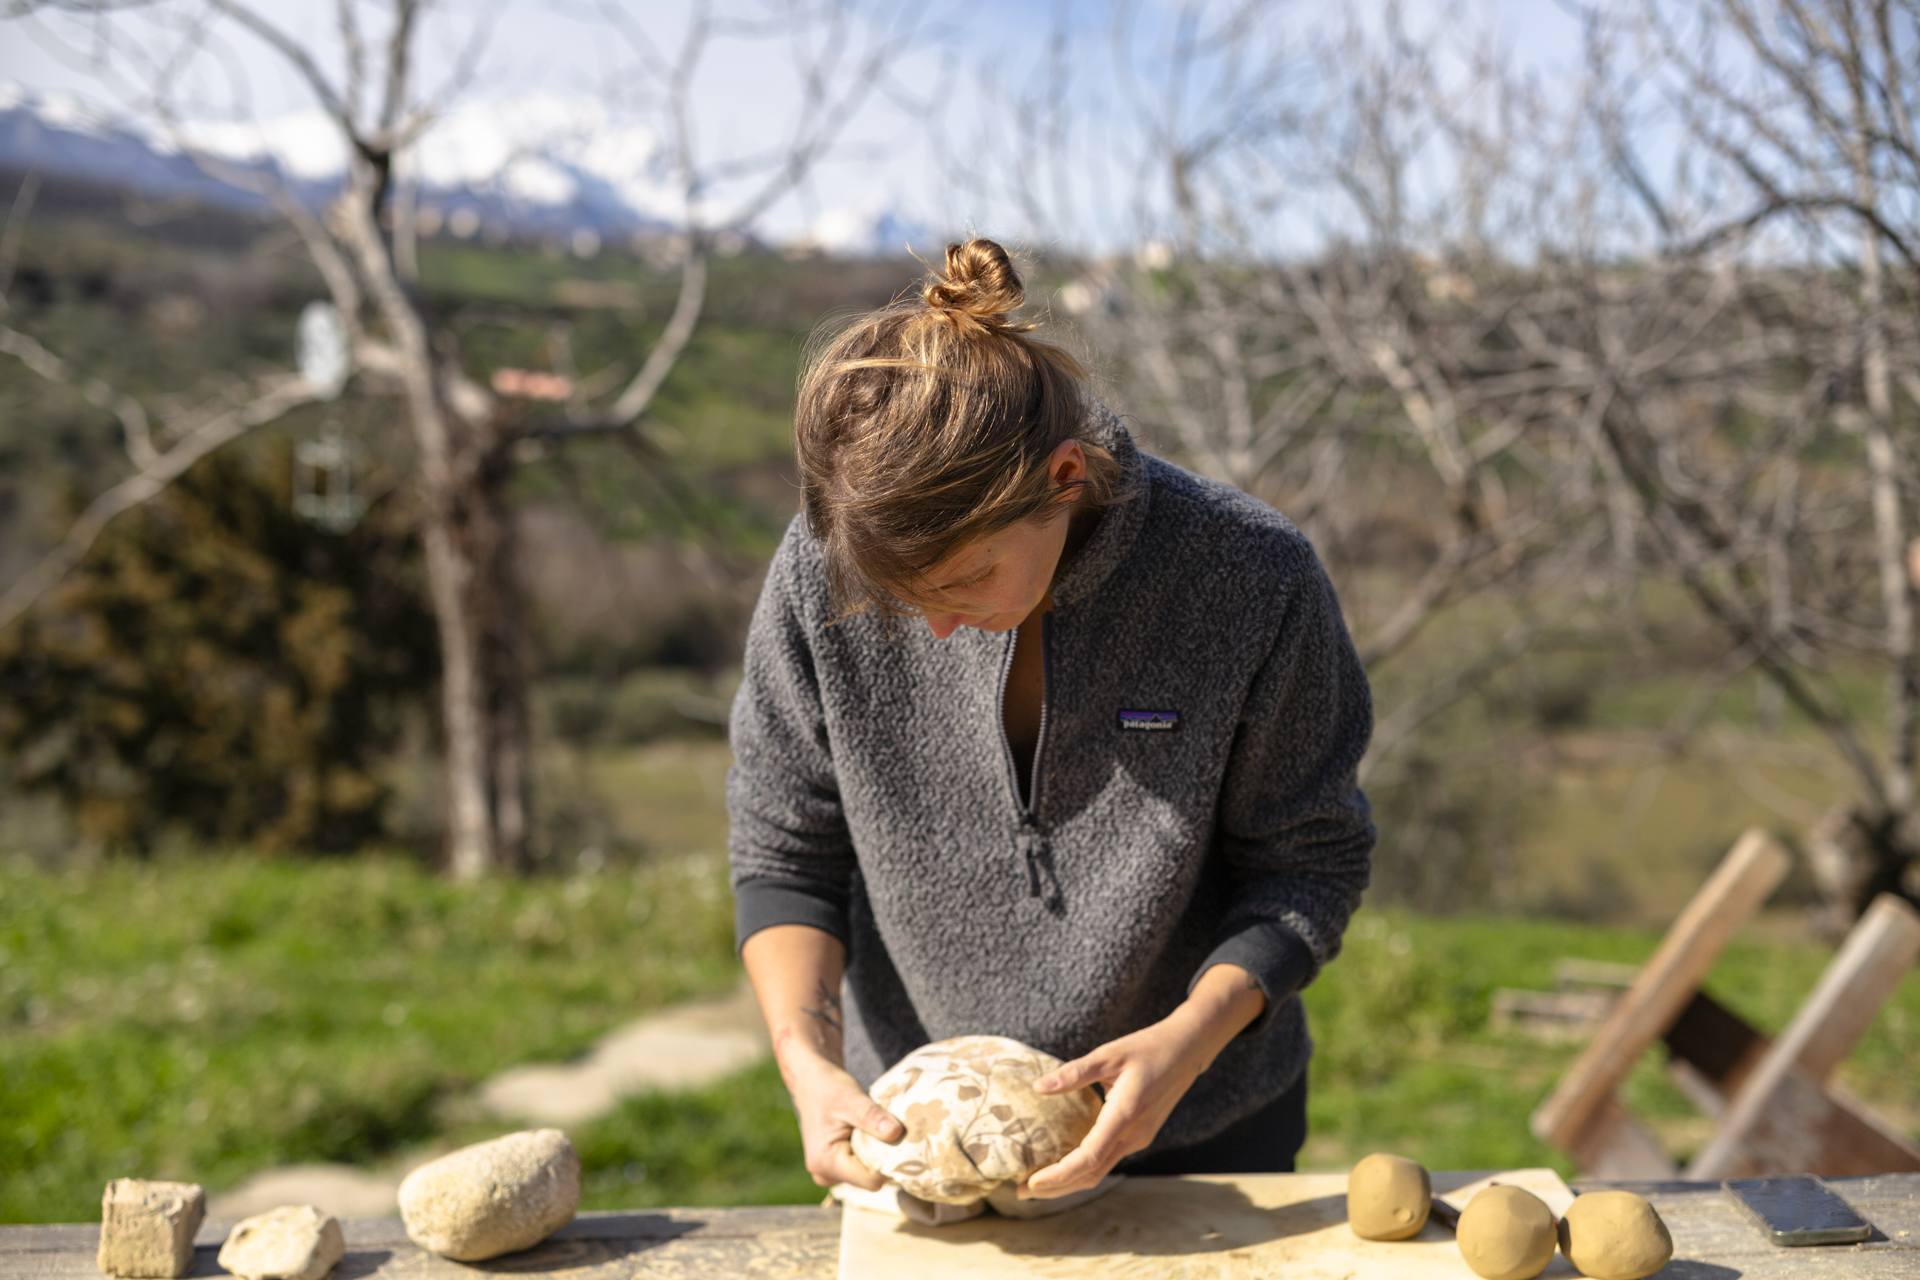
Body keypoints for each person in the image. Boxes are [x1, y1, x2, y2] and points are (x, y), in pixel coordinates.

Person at [728, 238, 1374, 1200]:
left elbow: (1307, 863)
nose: (937, 628)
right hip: (918, 1144)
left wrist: (1188, 1043)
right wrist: (807, 1065)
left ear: (1064, 478)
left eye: (964, 581)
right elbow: (785, 855)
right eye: (901, 601)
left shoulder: (1252, 579)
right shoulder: (820, 572)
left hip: (1198, 1132)